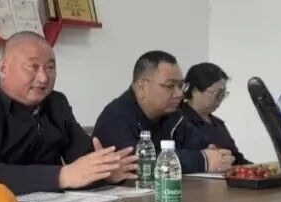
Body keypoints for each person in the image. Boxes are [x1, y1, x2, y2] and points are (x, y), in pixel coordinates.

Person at [0, 32, 137, 195]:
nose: (44, 78)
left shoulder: (57, 104)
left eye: (50, 67)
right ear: (3, 68)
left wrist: (105, 172)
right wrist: (61, 176)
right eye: (33, 67)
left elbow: (80, 164)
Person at [93, 51, 234, 174]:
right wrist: (201, 160)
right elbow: (140, 165)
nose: (179, 94)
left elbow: (206, 148)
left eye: (181, 86)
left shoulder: (173, 115)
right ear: (141, 88)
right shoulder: (115, 118)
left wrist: (217, 156)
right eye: (170, 86)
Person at [181, 63, 249, 165]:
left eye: (223, 94)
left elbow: (237, 159)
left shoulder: (218, 124)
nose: (220, 99)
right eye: (217, 93)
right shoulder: (178, 121)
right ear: (195, 91)